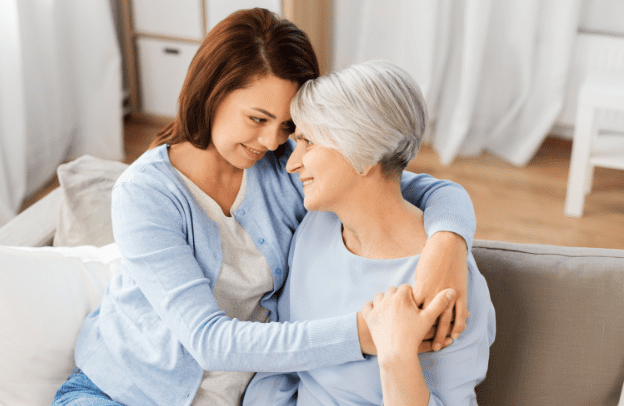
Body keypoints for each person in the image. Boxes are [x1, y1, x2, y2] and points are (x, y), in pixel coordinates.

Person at [53, 9, 476, 406]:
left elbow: (411, 182)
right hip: (118, 392)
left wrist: (447, 244)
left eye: (287, 125)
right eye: (257, 119)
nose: (274, 141)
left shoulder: (289, 168)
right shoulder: (145, 194)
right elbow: (208, 341)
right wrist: (365, 335)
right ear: (211, 93)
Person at [243, 60, 495, 406]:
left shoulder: (446, 285)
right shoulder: (316, 227)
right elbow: (285, 360)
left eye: (309, 143)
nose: (291, 163)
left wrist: (397, 358)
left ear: (363, 152)